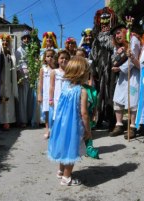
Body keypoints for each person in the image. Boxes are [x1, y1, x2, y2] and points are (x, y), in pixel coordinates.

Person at [48, 56, 92, 186]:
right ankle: (66, 178)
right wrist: (88, 130)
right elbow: (84, 113)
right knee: (72, 149)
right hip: (73, 125)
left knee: (64, 146)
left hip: (62, 123)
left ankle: (61, 171)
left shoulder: (66, 87)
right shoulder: (82, 91)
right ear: (82, 74)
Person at [109, 24, 142, 139]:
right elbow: (114, 60)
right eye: (115, 34)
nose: (117, 36)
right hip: (123, 76)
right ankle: (119, 125)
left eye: (119, 32)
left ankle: (132, 127)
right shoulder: (118, 45)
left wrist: (120, 68)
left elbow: (134, 59)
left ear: (125, 31)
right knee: (118, 98)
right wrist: (118, 54)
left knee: (132, 99)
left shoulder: (134, 40)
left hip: (133, 74)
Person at [90, 7, 118, 131]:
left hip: (113, 71)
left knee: (112, 94)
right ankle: (100, 119)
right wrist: (94, 70)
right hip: (100, 72)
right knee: (99, 96)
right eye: (103, 22)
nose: (105, 25)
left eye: (107, 21)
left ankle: (113, 121)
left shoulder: (115, 38)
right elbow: (92, 56)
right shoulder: (96, 40)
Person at [0, 33, 18, 131]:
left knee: (8, 100)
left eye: (7, 41)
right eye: (3, 41)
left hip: (9, 81)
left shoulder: (11, 55)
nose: (5, 42)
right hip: (1, 80)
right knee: (0, 100)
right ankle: (0, 120)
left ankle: (8, 120)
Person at [15, 30, 34, 128]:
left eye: (28, 38)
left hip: (31, 77)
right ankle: (23, 120)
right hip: (23, 76)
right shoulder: (18, 50)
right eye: (24, 38)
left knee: (30, 99)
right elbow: (18, 66)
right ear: (22, 39)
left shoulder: (31, 49)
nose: (26, 40)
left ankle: (29, 118)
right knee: (23, 99)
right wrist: (19, 78)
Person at [38, 49, 56, 139]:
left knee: (55, 112)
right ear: (45, 58)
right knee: (47, 112)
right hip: (46, 94)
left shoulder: (57, 69)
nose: (50, 58)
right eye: (48, 56)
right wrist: (39, 95)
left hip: (55, 93)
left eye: (52, 56)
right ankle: (47, 129)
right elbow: (40, 83)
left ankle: (54, 129)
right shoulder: (43, 69)